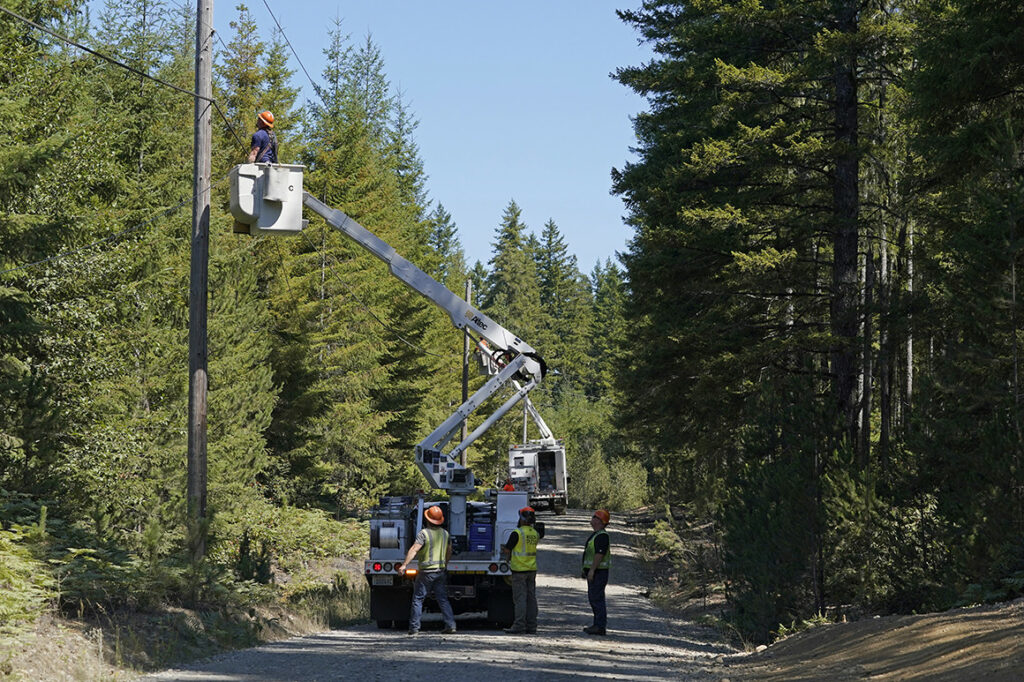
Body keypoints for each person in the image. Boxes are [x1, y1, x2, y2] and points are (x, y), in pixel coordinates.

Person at [397, 505, 457, 635]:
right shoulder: (445, 534)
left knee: (418, 599)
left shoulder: (423, 534)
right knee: (442, 599)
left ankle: (414, 628)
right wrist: (444, 564)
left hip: (426, 572)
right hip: (440, 571)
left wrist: (404, 565)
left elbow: (414, 549)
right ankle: (450, 625)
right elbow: (449, 551)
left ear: (427, 520)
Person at [501, 506, 544, 634]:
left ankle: (519, 625)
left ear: (521, 518)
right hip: (531, 570)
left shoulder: (517, 533)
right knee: (531, 598)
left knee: (520, 599)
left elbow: (508, 549)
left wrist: (505, 551)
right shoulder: (535, 533)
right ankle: (532, 626)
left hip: (519, 571)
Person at [582, 509, 611, 635]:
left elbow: (599, 554)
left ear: (600, 521)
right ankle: (597, 624)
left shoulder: (602, 536)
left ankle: (600, 626)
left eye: (595, 517)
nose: (592, 519)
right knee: (594, 598)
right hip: (595, 571)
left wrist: (592, 570)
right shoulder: (596, 534)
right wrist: (586, 569)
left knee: (597, 598)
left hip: (599, 572)